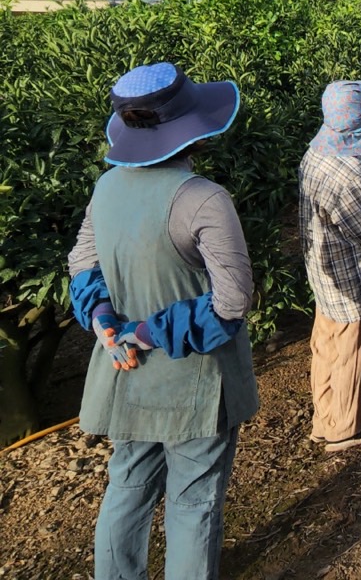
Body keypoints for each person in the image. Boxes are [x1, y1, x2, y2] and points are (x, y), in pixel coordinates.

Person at [67, 61, 258, 580]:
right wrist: (149, 332)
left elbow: (82, 261)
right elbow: (232, 301)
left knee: (127, 487)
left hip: (124, 371)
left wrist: (104, 318)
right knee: (193, 501)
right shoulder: (203, 198)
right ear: (192, 127)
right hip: (195, 383)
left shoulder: (107, 186)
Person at [298, 78, 361, 452]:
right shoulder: (347, 176)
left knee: (326, 345)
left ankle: (324, 419)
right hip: (352, 279)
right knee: (352, 350)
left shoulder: (315, 154)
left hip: (325, 273)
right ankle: (344, 428)